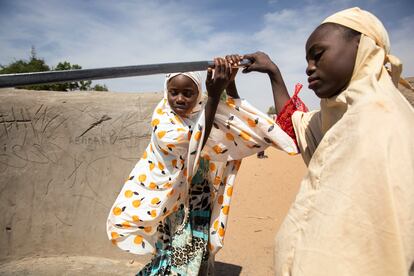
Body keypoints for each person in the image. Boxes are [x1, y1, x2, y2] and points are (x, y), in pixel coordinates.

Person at [242, 7, 414, 276]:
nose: (309, 67)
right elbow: (295, 125)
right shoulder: (342, 115)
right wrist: (273, 72)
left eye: (318, 54)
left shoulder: (378, 123)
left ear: (361, 46)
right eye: (307, 60)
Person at [106, 57, 297, 275]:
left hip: (200, 201)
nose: (179, 99)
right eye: (173, 92)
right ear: (165, 91)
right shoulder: (164, 121)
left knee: (197, 253)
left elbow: (237, 121)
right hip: (174, 205)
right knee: (177, 256)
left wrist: (230, 83)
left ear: (198, 94)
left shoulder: (203, 112)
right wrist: (215, 95)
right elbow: (195, 141)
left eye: (188, 93)